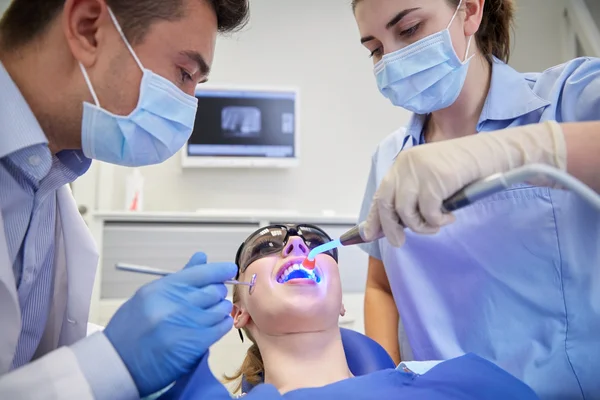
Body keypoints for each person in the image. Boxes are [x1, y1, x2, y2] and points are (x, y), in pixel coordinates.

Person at [0, 0, 248, 399]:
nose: (187, 108)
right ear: (88, 28)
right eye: (183, 73)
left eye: (195, 84)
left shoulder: (48, 178)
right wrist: (114, 363)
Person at [352, 0, 600, 398]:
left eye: (410, 29)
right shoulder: (390, 160)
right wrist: (385, 385)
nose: (392, 59)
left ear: (469, 11)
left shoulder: (568, 99)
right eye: (376, 49)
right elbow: (380, 287)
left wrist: (524, 149)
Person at [156, 224, 539, 400]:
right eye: (266, 245)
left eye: (316, 244)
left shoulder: (459, 378)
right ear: (239, 312)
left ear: (341, 303)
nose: (295, 246)